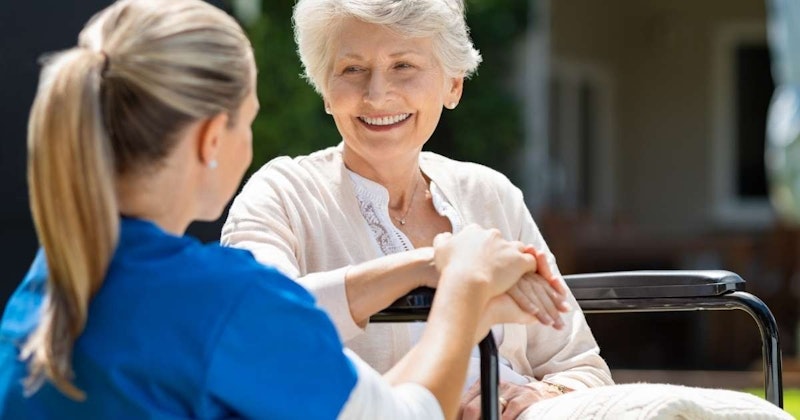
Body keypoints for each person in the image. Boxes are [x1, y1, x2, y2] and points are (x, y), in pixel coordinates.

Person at [0, 0, 560, 418]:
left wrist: (430, 269)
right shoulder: (226, 301)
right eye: (250, 118)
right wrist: (463, 288)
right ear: (211, 139)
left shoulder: (49, 282)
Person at [221, 0, 614, 418]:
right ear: (325, 90)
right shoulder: (281, 194)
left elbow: (580, 367)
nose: (376, 94)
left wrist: (533, 399)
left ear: (453, 85)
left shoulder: (491, 194)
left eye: (403, 65)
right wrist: (435, 265)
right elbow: (256, 325)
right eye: (352, 69)